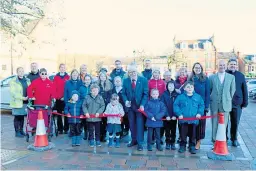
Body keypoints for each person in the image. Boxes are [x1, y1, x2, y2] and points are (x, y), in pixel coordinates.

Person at [122, 64, 149, 151]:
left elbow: (146, 94)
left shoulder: (143, 80)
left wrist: (142, 104)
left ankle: (140, 142)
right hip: (130, 107)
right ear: (128, 73)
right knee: (132, 124)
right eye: (130, 72)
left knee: (140, 124)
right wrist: (126, 101)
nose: (132, 73)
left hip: (139, 106)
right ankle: (134, 140)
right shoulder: (125, 81)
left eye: (134, 71)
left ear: (136, 72)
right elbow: (123, 93)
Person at [174, 81, 204, 154]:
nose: (190, 88)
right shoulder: (180, 97)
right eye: (188, 87)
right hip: (183, 120)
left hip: (194, 120)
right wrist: (179, 114)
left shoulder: (198, 97)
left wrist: (199, 113)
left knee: (193, 134)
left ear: (193, 88)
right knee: (183, 134)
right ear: (184, 88)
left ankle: (192, 146)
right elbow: (176, 105)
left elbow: (201, 105)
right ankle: (182, 145)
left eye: (191, 87)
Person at [209, 60, 236, 143]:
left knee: (224, 124)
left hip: (225, 104)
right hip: (214, 104)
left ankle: (222, 141)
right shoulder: (212, 77)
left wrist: (227, 98)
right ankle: (214, 141)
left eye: (224, 65)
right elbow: (210, 89)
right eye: (220, 65)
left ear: (226, 66)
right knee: (214, 123)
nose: (222, 67)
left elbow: (232, 90)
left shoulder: (231, 77)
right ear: (217, 66)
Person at [226, 58, 248, 147]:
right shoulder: (225, 74)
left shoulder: (240, 76)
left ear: (237, 66)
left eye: (234, 64)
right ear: (228, 65)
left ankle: (234, 138)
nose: (233, 66)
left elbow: (244, 90)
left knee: (235, 122)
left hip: (237, 103)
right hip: (226, 103)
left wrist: (245, 103)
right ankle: (224, 139)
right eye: (231, 64)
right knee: (224, 123)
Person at [188, 62, 210, 150]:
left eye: (199, 67)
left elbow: (208, 93)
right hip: (192, 105)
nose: (197, 69)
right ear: (193, 69)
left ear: (201, 69)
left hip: (202, 105)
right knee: (192, 124)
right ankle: (192, 141)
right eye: (196, 67)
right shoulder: (190, 79)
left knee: (201, 125)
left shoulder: (205, 79)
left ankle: (198, 141)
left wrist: (206, 106)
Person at [9, 67, 30, 137]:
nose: (21, 72)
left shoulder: (27, 80)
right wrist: (22, 98)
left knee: (22, 116)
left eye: (22, 71)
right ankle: (17, 132)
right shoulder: (13, 81)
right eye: (19, 71)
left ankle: (21, 130)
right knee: (17, 117)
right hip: (17, 102)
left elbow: (30, 89)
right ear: (17, 72)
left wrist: (29, 97)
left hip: (25, 101)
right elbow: (13, 93)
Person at [160, 80, 179, 150]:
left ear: (174, 87)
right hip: (166, 117)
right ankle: (167, 142)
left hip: (174, 117)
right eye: (169, 86)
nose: (171, 87)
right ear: (167, 87)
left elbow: (177, 105)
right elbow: (162, 105)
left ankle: (173, 142)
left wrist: (175, 115)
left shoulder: (177, 95)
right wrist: (166, 115)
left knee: (173, 130)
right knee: (167, 130)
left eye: (172, 86)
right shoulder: (164, 94)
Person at [53, 64, 70, 134]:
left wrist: (65, 97)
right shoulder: (56, 77)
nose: (62, 69)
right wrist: (56, 97)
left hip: (66, 99)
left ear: (65, 68)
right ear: (59, 68)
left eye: (64, 67)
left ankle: (66, 128)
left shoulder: (68, 77)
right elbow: (54, 88)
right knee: (59, 114)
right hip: (58, 99)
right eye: (61, 67)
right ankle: (60, 129)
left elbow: (69, 88)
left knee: (66, 114)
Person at [64, 69, 82, 134]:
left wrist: (79, 101)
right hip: (70, 102)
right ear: (71, 74)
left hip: (78, 102)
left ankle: (78, 131)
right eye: (73, 73)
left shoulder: (80, 82)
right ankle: (71, 131)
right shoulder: (67, 82)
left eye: (76, 73)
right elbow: (65, 92)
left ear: (78, 75)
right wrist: (66, 102)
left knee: (77, 118)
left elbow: (80, 92)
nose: (75, 75)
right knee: (70, 118)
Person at [97, 71, 113, 142]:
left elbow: (110, 95)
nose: (102, 77)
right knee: (99, 122)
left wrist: (107, 102)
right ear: (99, 77)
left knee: (105, 121)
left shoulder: (109, 84)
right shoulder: (97, 84)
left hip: (106, 105)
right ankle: (99, 135)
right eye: (101, 76)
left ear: (106, 77)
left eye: (104, 76)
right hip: (99, 106)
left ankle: (104, 135)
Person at [78, 75, 92, 140]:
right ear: (84, 80)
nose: (87, 81)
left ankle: (90, 134)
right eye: (86, 79)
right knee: (84, 121)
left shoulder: (92, 87)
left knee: (90, 121)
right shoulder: (81, 88)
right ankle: (86, 133)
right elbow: (79, 97)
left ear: (90, 80)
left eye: (88, 79)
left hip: (90, 106)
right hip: (83, 106)